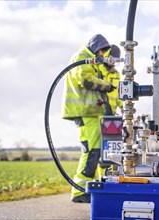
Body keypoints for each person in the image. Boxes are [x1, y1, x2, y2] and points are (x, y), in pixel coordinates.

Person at [61, 34, 122, 203]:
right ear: (98, 49)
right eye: (103, 53)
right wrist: (107, 86)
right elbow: (86, 81)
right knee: (91, 152)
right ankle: (80, 191)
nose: (103, 57)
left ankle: (95, 188)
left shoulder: (90, 59)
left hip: (94, 113)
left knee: (100, 152)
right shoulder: (82, 57)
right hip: (86, 112)